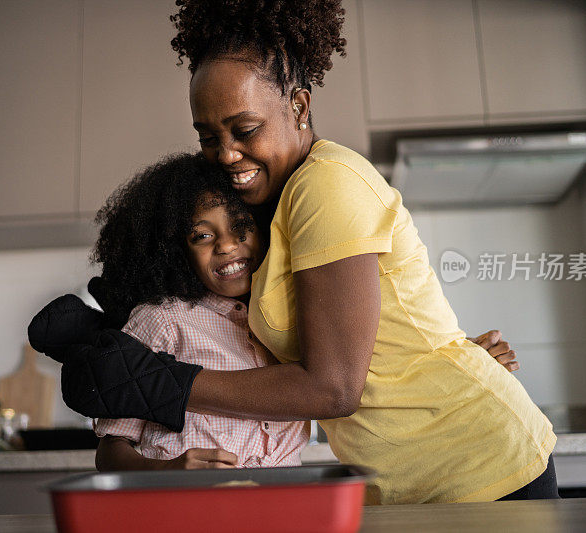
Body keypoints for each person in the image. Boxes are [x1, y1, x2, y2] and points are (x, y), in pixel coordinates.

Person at [30, 0, 555, 504]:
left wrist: (157, 381)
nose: (226, 154)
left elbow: (333, 389)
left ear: (299, 105)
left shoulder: (323, 186)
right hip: (411, 481)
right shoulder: (271, 208)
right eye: (208, 136)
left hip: (479, 467)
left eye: (245, 129)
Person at [89, 153, 307, 471]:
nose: (226, 246)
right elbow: (109, 453)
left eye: (240, 226)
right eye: (202, 236)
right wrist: (169, 470)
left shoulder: (288, 320)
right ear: (176, 250)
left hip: (279, 513)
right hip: (188, 513)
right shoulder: (161, 322)